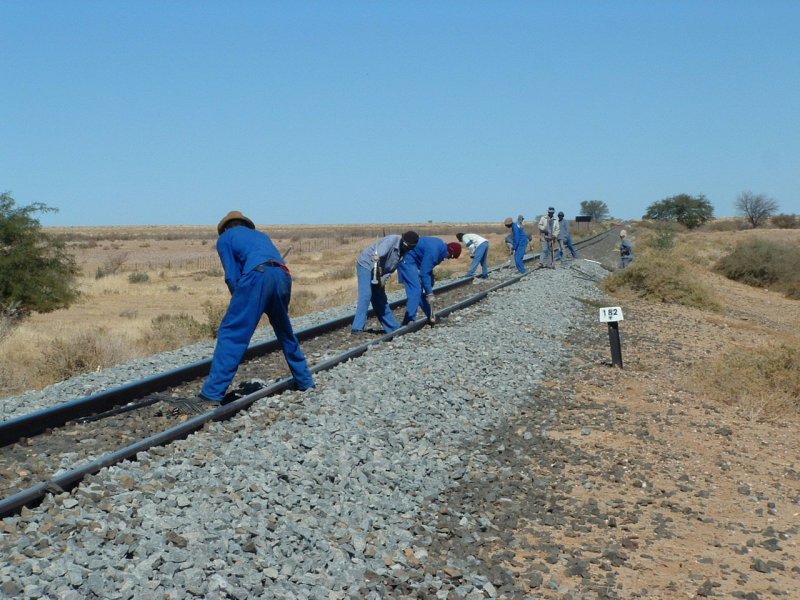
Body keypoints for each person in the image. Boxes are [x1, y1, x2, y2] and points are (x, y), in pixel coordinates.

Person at [182, 211, 315, 414]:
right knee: (284, 331)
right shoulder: (262, 236)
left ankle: (212, 394)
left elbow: (231, 275)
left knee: (231, 333)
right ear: (245, 224)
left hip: (257, 277)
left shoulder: (225, 238)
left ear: (225, 227)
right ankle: (305, 381)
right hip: (282, 276)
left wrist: (240, 300)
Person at [352, 231, 419, 335]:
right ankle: (357, 328)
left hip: (380, 271)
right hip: (366, 264)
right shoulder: (392, 240)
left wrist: (383, 278)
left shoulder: (405, 251)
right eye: (406, 245)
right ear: (402, 240)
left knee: (380, 299)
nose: (407, 248)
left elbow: (392, 267)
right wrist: (377, 262)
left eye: (410, 247)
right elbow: (379, 254)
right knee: (366, 294)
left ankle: (393, 329)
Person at [397, 237, 461, 325]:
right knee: (416, 290)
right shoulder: (435, 252)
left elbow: (427, 267)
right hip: (407, 260)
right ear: (450, 252)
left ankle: (431, 316)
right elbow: (424, 273)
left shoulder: (440, 247)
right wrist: (429, 293)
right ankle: (408, 321)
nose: (447, 259)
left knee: (422, 288)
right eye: (450, 257)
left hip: (414, 261)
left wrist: (430, 283)